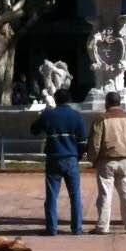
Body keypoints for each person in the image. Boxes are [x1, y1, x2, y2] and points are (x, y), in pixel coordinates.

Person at [31, 84, 88, 235]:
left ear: (55, 100)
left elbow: (34, 130)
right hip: (71, 158)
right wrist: (79, 156)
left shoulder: (48, 114)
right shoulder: (76, 116)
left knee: (52, 196)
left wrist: (41, 116)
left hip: (54, 158)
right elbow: (83, 141)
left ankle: (52, 228)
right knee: (75, 195)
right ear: (69, 100)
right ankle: (76, 228)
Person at [88, 90, 126, 234]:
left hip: (106, 161)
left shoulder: (101, 119)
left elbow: (95, 143)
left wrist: (93, 159)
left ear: (107, 103)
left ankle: (103, 226)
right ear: (120, 103)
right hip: (125, 161)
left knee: (105, 195)